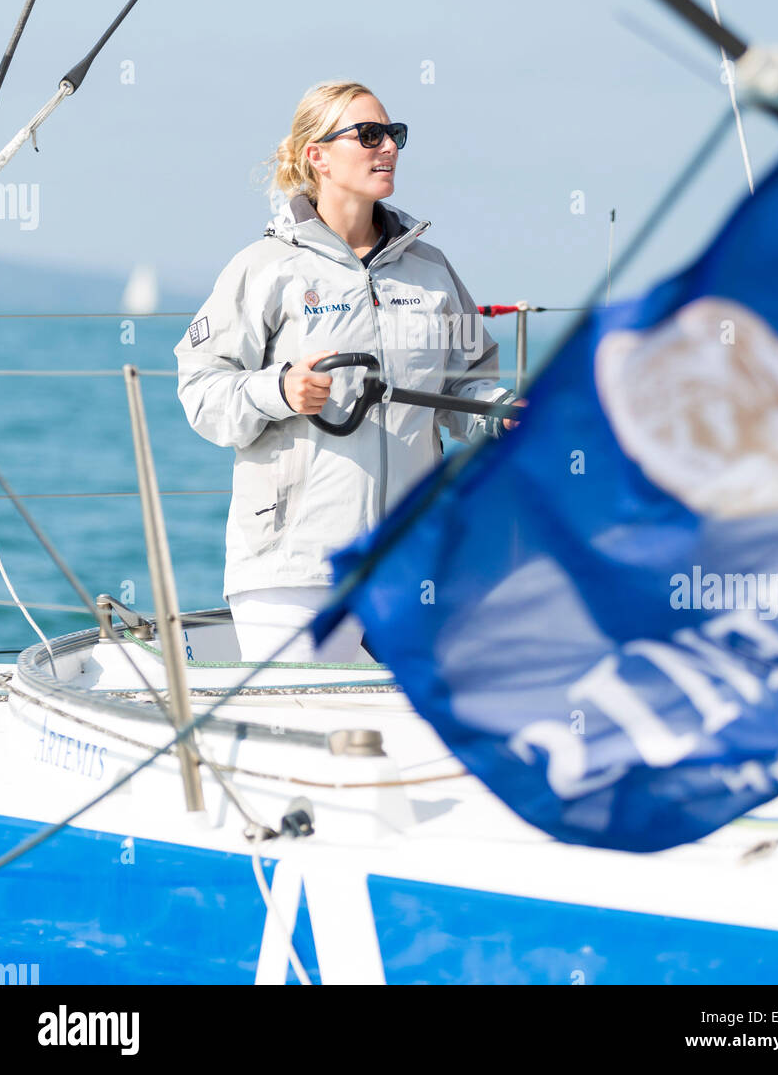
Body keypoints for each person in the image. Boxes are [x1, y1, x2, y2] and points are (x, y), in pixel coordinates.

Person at [175, 79, 521, 664]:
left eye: (393, 135)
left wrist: (500, 414)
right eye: (368, 135)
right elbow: (201, 390)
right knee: (304, 733)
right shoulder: (264, 268)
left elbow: (465, 384)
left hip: (411, 559)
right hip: (294, 564)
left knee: (420, 741)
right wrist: (278, 390)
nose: (387, 147)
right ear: (317, 156)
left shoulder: (431, 271)